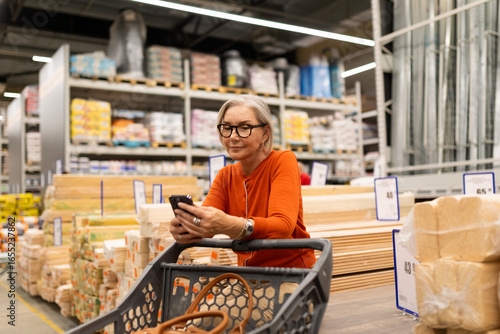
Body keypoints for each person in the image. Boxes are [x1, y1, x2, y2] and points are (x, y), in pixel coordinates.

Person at [169, 94, 316, 269]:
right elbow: (206, 222)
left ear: (265, 133)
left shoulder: (282, 161)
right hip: (248, 274)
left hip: (291, 273)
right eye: (227, 128)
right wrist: (188, 228)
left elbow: (282, 226)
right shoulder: (226, 176)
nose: (233, 136)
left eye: (244, 127)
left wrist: (233, 225)